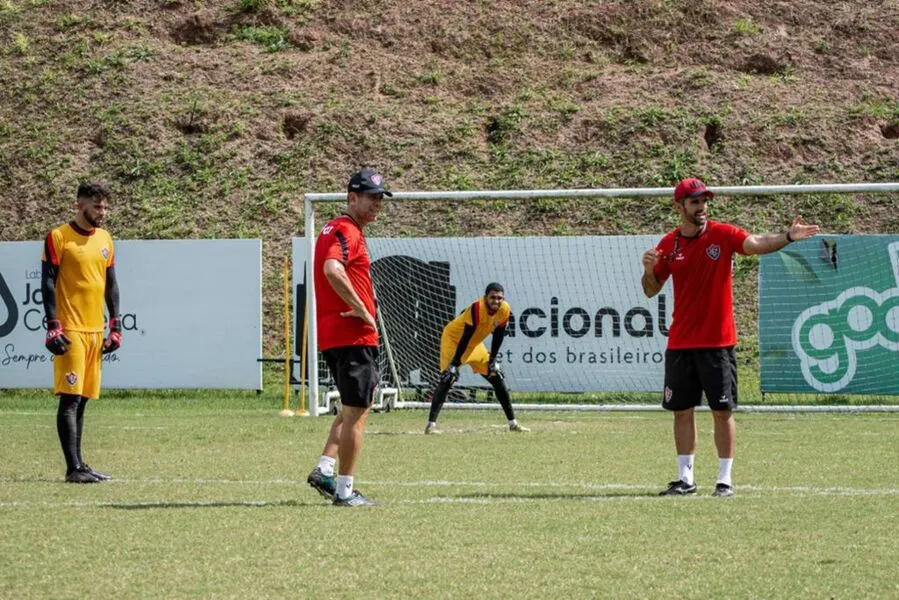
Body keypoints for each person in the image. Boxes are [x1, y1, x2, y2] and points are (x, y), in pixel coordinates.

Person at [641, 177, 819, 497]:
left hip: (717, 343)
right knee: (682, 411)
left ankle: (724, 480)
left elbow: (756, 243)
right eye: (695, 201)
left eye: (705, 200)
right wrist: (649, 270)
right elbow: (651, 291)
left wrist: (788, 237)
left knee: (721, 412)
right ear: (679, 206)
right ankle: (686, 479)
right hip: (680, 343)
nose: (702, 206)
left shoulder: (723, 234)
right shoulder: (669, 244)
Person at [306, 168, 391, 507]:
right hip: (353, 337)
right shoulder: (347, 229)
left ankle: (325, 467)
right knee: (358, 411)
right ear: (351, 198)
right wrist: (362, 308)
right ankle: (344, 491)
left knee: (353, 407)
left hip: (334, 335)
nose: (377, 204)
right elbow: (332, 269)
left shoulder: (335, 229)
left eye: (381, 198)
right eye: (371, 197)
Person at [42, 182, 122, 483]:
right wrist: (53, 325)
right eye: (96, 206)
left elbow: (111, 285)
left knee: (83, 399)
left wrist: (115, 325)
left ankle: (79, 464)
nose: (102, 212)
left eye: (104, 207)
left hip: (94, 331)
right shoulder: (58, 238)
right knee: (70, 398)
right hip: (71, 329)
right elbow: (47, 283)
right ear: (80, 206)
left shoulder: (105, 239)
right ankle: (72, 468)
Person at [425, 282, 529, 434]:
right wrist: (454, 364)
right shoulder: (477, 308)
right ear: (485, 297)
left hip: (474, 344)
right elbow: (465, 337)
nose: (496, 301)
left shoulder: (504, 309)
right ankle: (430, 426)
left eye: (500, 298)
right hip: (454, 341)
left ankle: (513, 424)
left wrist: (493, 361)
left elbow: (499, 336)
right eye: (492, 297)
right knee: (448, 378)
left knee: (496, 377)